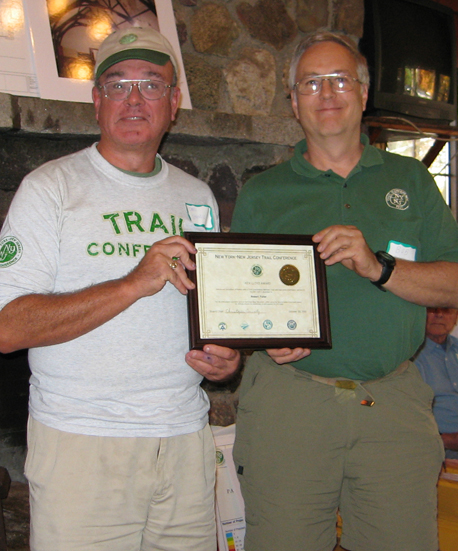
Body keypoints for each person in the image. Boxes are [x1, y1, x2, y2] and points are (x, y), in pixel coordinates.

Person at [0, 26, 240, 551]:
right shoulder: (49, 188)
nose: (134, 99)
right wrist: (133, 283)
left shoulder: (197, 196)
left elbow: (212, 311)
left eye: (151, 84)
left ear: (174, 103)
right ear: (96, 101)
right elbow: (8, 327)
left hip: (184, 443)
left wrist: (228, 356)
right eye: (117, 84)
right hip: (82, 447)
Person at [230, 31, 458, 551]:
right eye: (311, 83)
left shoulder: (413, 181)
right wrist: (262, 338)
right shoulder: (263, 194)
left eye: (340, 80)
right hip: (289, 405)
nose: (327, 93)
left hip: (394, 402)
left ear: (362, 91)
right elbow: (241, 301)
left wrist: (380, 266)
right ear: (293, 101)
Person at [414, 307, 458, 459]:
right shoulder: (409, 355)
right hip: (435, 448)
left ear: (456, 317)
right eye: (433, 309)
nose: (439, 315)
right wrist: (443, 440)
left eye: (447, 310)